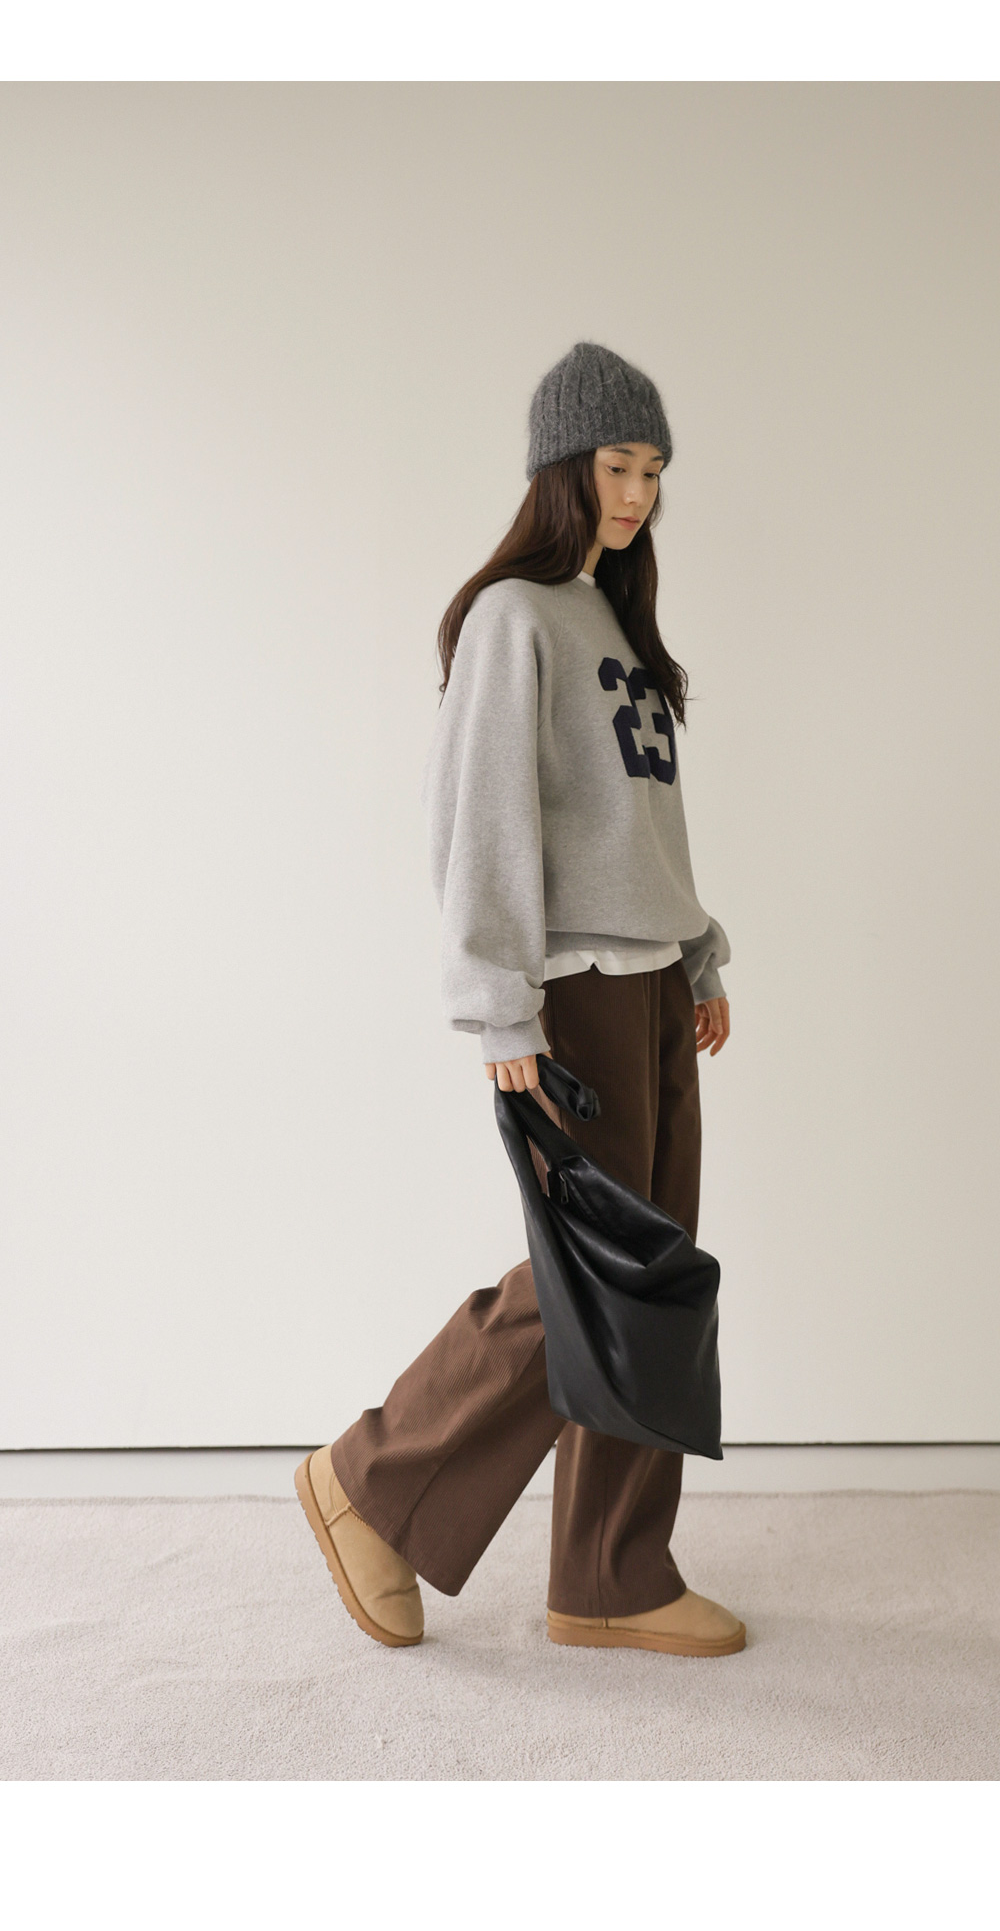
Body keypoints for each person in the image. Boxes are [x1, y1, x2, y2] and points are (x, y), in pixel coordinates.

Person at [296, 341, 746, 1658]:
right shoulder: (514, 618)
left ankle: (611, 1576)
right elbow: (479, 820)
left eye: (654, 471)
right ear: (562, 467)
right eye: (618, 467)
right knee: (587, 1278)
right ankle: (370, 1482)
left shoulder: (614, 621)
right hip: (574, 997)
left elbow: (639, 828)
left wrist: (698, 957)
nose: (639, 494)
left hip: (652, 987)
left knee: (649, 1285)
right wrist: (500, 1006)